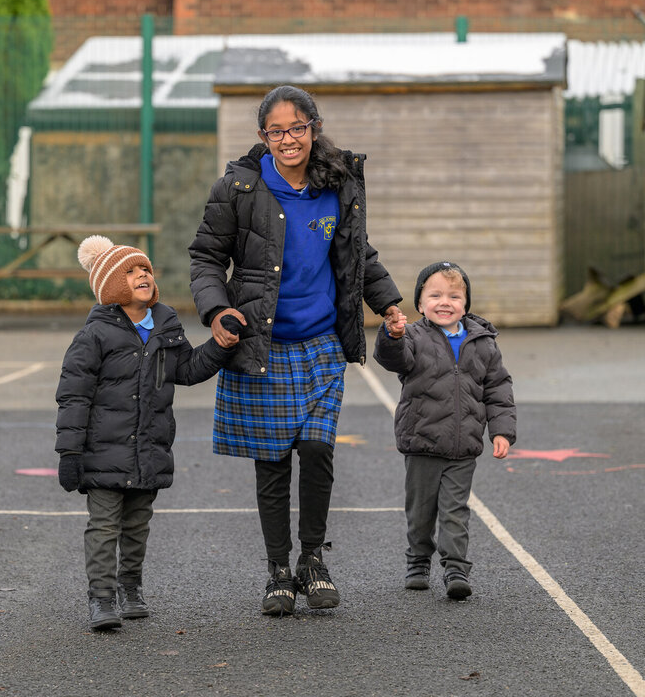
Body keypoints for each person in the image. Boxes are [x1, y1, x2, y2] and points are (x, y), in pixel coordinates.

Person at [189, 84, 403, 616]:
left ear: (315, 128)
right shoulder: (238, 188)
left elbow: (357, 254)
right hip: (262, 345)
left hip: (321, 345)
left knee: (317, 448)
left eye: (297, 128)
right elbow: (206, 258)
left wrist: (389, 304)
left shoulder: (339, 182)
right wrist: (216, 312)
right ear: (263, 135)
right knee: (272, 462)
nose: (288, 139)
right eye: (276, 131)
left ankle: (312, 559)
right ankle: (278, 572)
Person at [55, 234, 236, 630]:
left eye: (145, 270)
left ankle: (130, 588)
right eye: (131, 272)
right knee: (104, 526)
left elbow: (187, 369)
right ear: (111, 285)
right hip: (103, 452)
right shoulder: (94, 335)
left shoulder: (165, 324)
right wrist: (69, 453)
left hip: (149, 449)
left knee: (137, 526)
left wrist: (220, 346)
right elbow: (73, 396)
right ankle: (102, 599)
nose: (142, 276)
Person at [373, 261, 516, 599]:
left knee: (455, 510)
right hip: (422, 441)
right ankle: (418, 560)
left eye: (454, 296)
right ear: (420, 303)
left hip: (463, 446)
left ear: (466, 304)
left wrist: (501, 431)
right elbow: (394, 359)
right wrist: (393, 336)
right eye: (435, 295)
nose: (444, 302)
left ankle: (456, 569)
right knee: (421, 511)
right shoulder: (413, 337)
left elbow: (498, 389)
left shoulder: (483, 342)